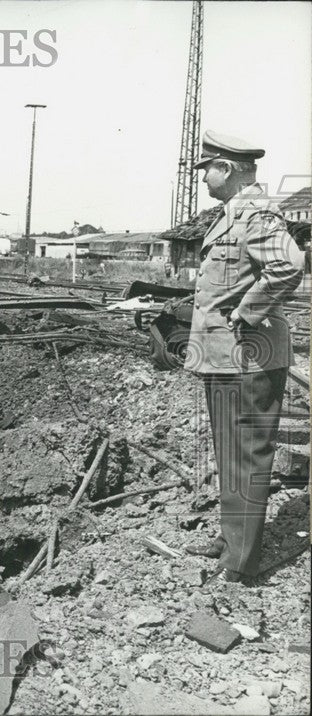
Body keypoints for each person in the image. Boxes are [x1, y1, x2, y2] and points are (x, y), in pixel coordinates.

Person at [183, 131, 306, 585]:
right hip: (223, 355)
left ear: (228, 169)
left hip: (251, 356)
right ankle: (231, 539)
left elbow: (289, 266)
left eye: (207, 170)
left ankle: (240, 563)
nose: (203, 179)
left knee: (247, 457)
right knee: (229, 454)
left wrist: (246, 312)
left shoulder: (257, 213)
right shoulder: (232, 214)